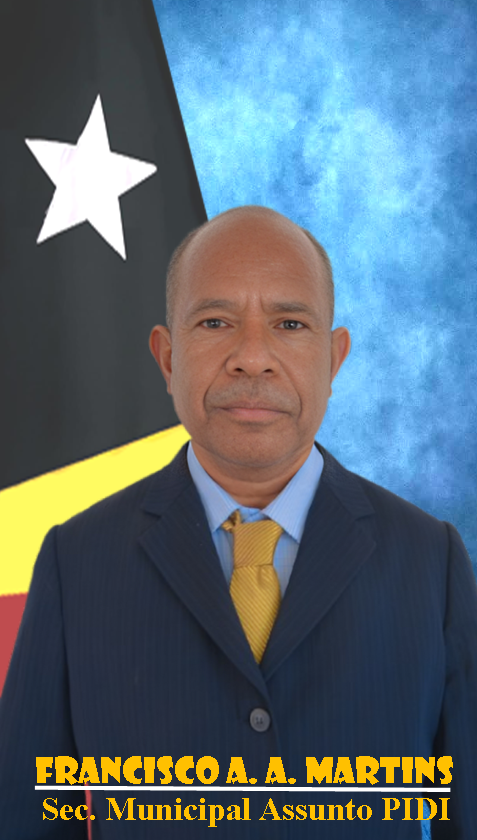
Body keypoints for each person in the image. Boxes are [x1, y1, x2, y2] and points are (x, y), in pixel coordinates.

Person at [0, 206, 476, 839]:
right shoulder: (77, 561)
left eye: (290, 323)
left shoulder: (429, 561)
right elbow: (28, 820)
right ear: (168, 358)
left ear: (334, 359)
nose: (253, 358)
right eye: (216, 322)